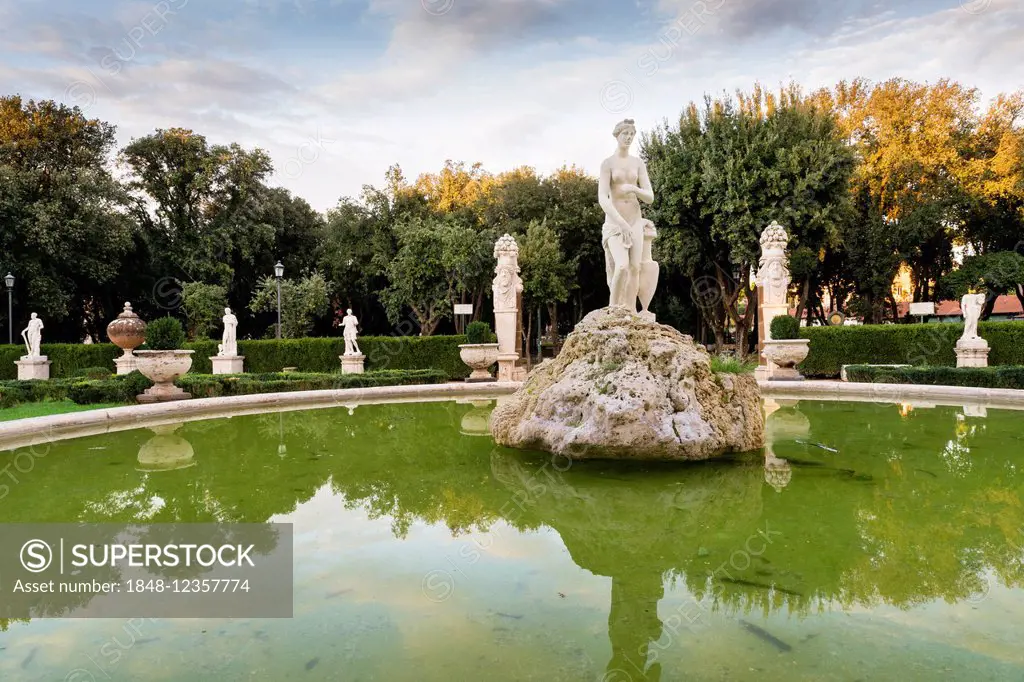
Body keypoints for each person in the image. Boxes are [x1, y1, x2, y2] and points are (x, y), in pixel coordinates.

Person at [598, 119, 658, 317]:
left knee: (634, 267)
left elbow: (649, 197)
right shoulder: (608, 164)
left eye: (632, 135)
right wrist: (621, 224)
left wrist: (633, 188)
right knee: (622, 265)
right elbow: (603, 199)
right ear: (617, 135)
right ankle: (613, 310)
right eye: (625, 134)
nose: (629, 138)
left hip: (634, 219)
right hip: (615, 222)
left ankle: (630, 310)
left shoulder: (638, 163)